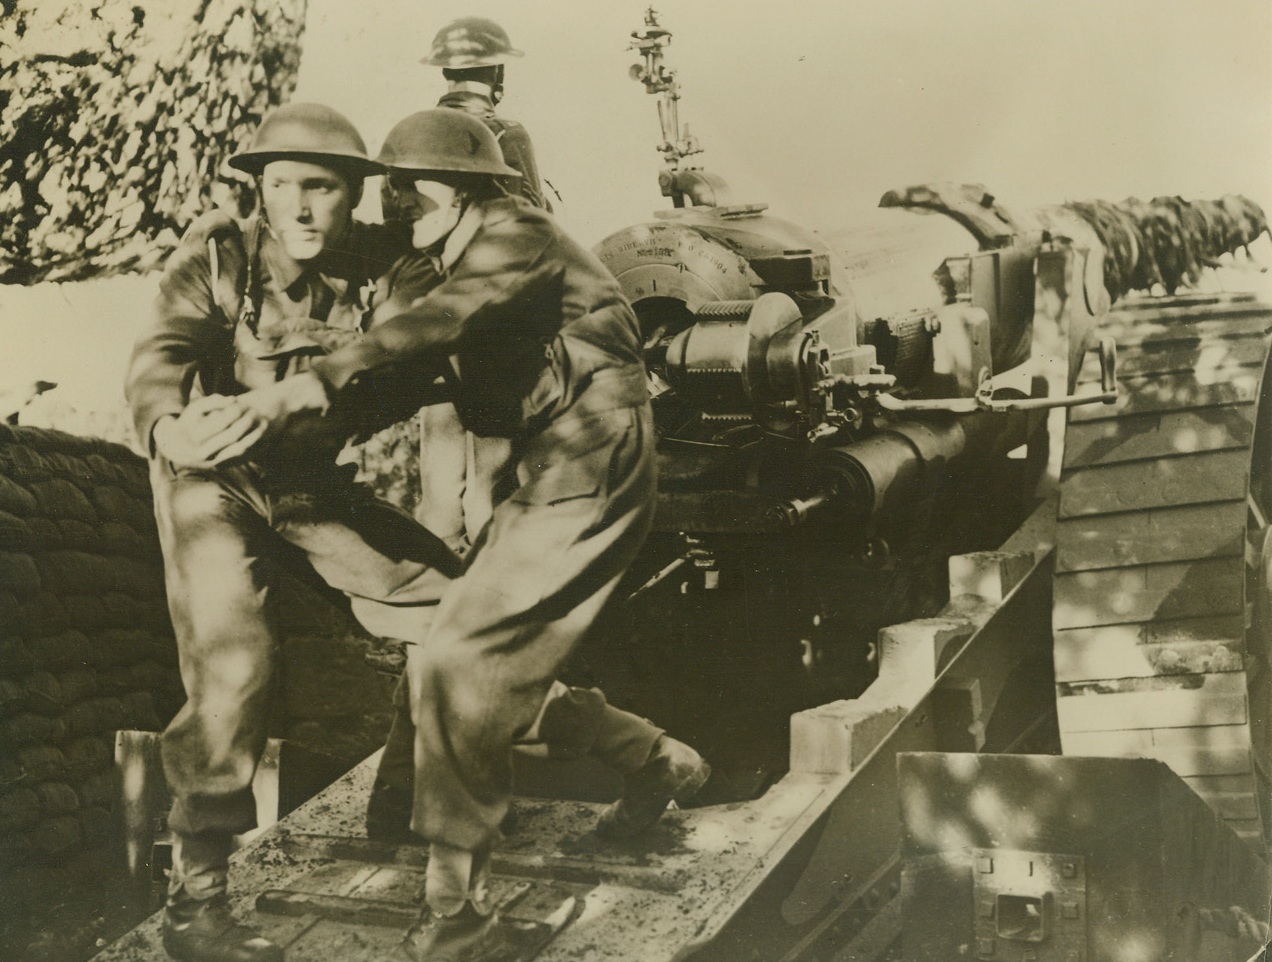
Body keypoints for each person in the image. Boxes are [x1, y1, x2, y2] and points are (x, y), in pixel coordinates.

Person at [310, 108, 711, 960]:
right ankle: (651, 762)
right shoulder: (443, 264)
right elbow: (416, 379)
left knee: (464, 656)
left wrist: (308, 393)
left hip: (579, 456)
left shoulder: (515, 248)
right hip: (537, 468)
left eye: (411, 199)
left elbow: (428, 353)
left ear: (462, 195)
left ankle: (456, 916)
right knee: (464, 654)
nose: (396, 215)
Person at [124, 102, 461, 962]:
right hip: (213, 486)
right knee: (235, 673)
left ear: (355, 196)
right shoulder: (219, 256)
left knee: (448, 612)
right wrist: (167, 428)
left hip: (311, 485)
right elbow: (161, 352)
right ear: (259, 193)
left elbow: (416, 347)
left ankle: (404, 799)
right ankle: (198, 907)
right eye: (282, 187)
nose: (301, 209)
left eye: (322, 188)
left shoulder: (392, 269)